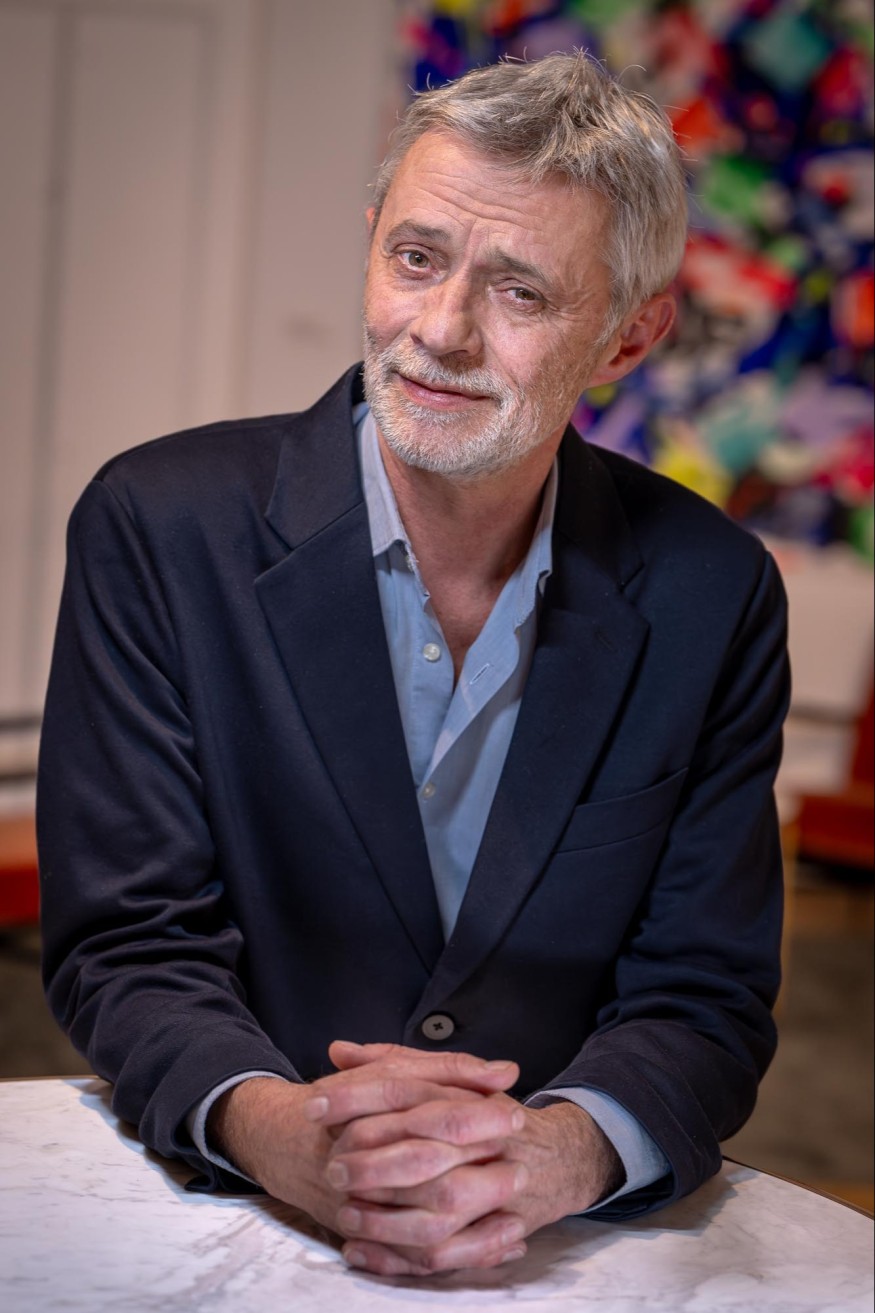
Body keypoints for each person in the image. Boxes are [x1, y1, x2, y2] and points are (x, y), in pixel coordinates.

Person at [37, 53, 790, 1278]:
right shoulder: (158, 526)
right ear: (369, 246)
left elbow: (703, 991)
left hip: (553, 1250)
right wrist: (282, 1132)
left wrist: (551, 1155)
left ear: (629, 333)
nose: (439, 331)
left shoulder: (713, 592)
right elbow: (127, 942)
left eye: (520, 290)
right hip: (225, 1210)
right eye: (417, 258)